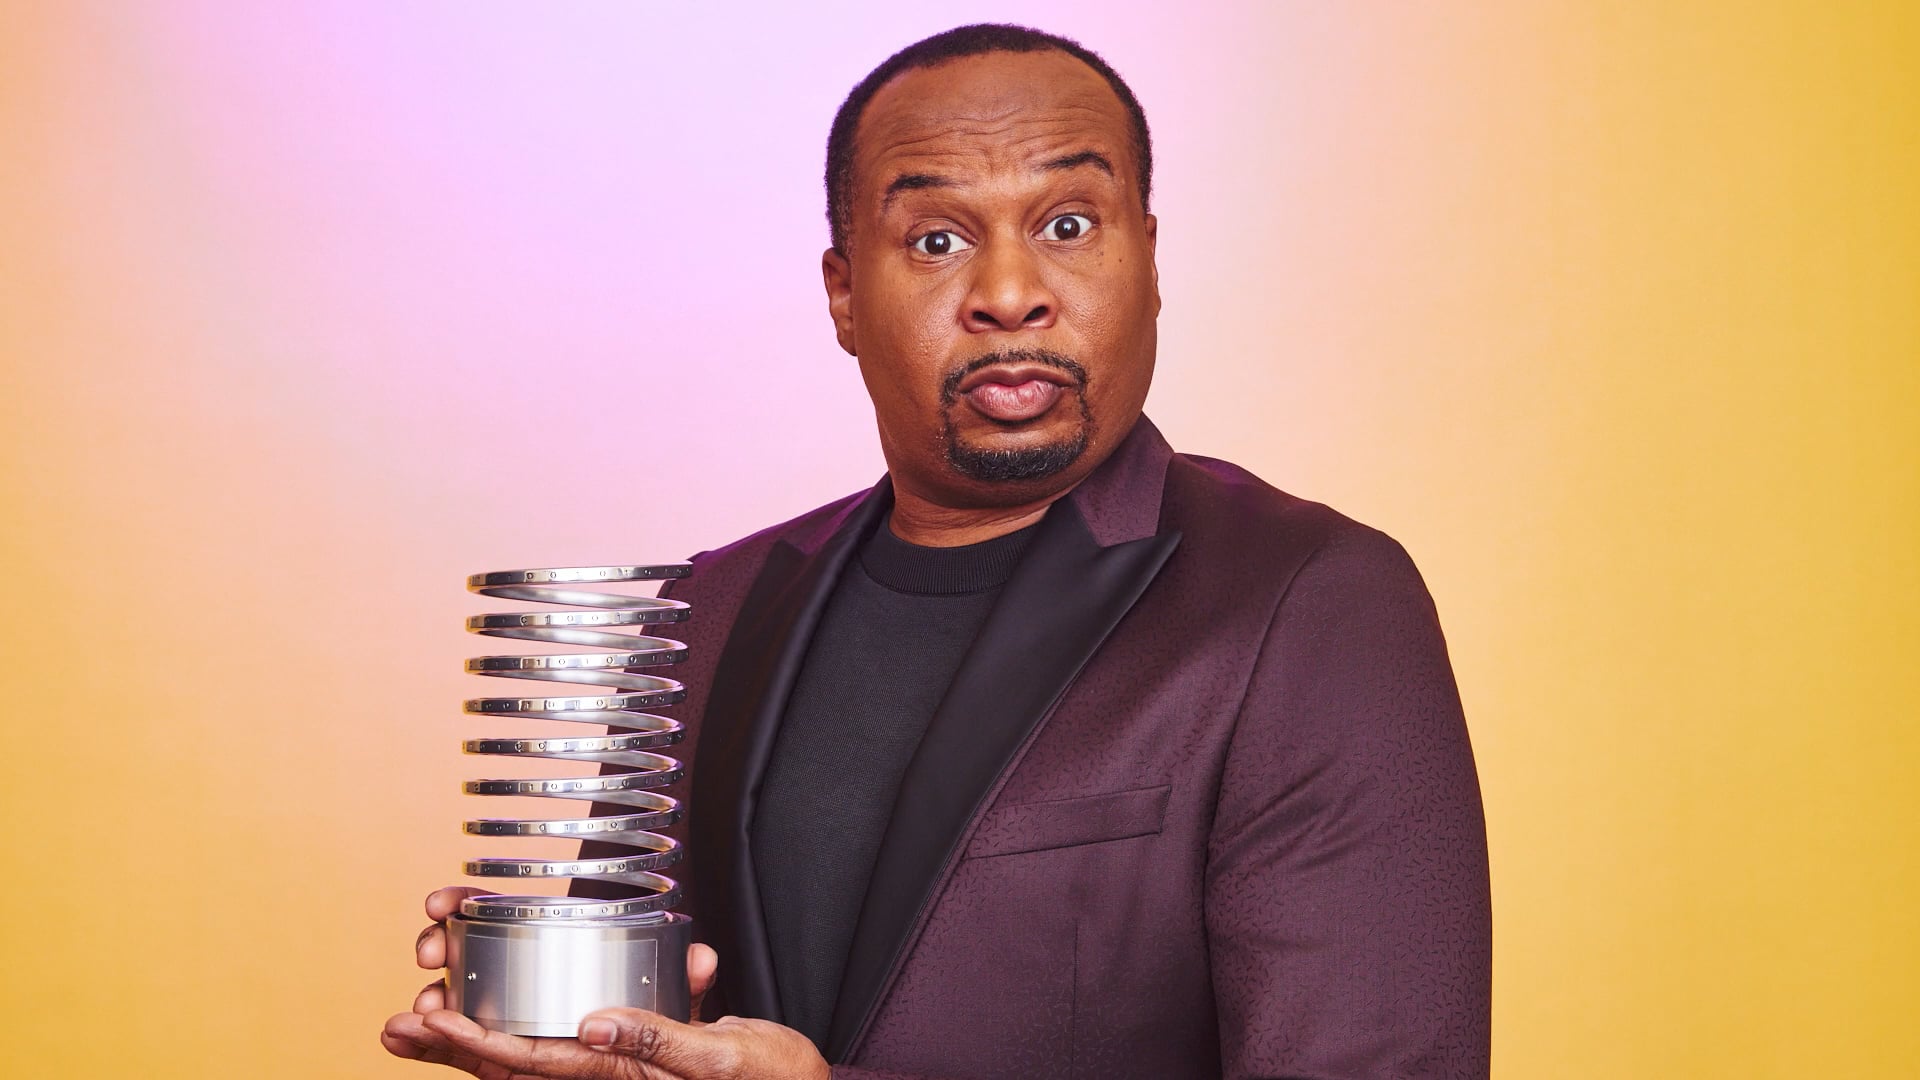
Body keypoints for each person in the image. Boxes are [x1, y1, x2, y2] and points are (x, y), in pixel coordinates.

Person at [382, 23, 1491, 1080]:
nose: (1010, 295)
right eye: (937, 240)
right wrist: (574, 1037)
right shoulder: (707, 613)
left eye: (1068, 224)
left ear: (1148, 259)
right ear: (844, 294)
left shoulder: (1314, 603)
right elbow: (646, 1042)